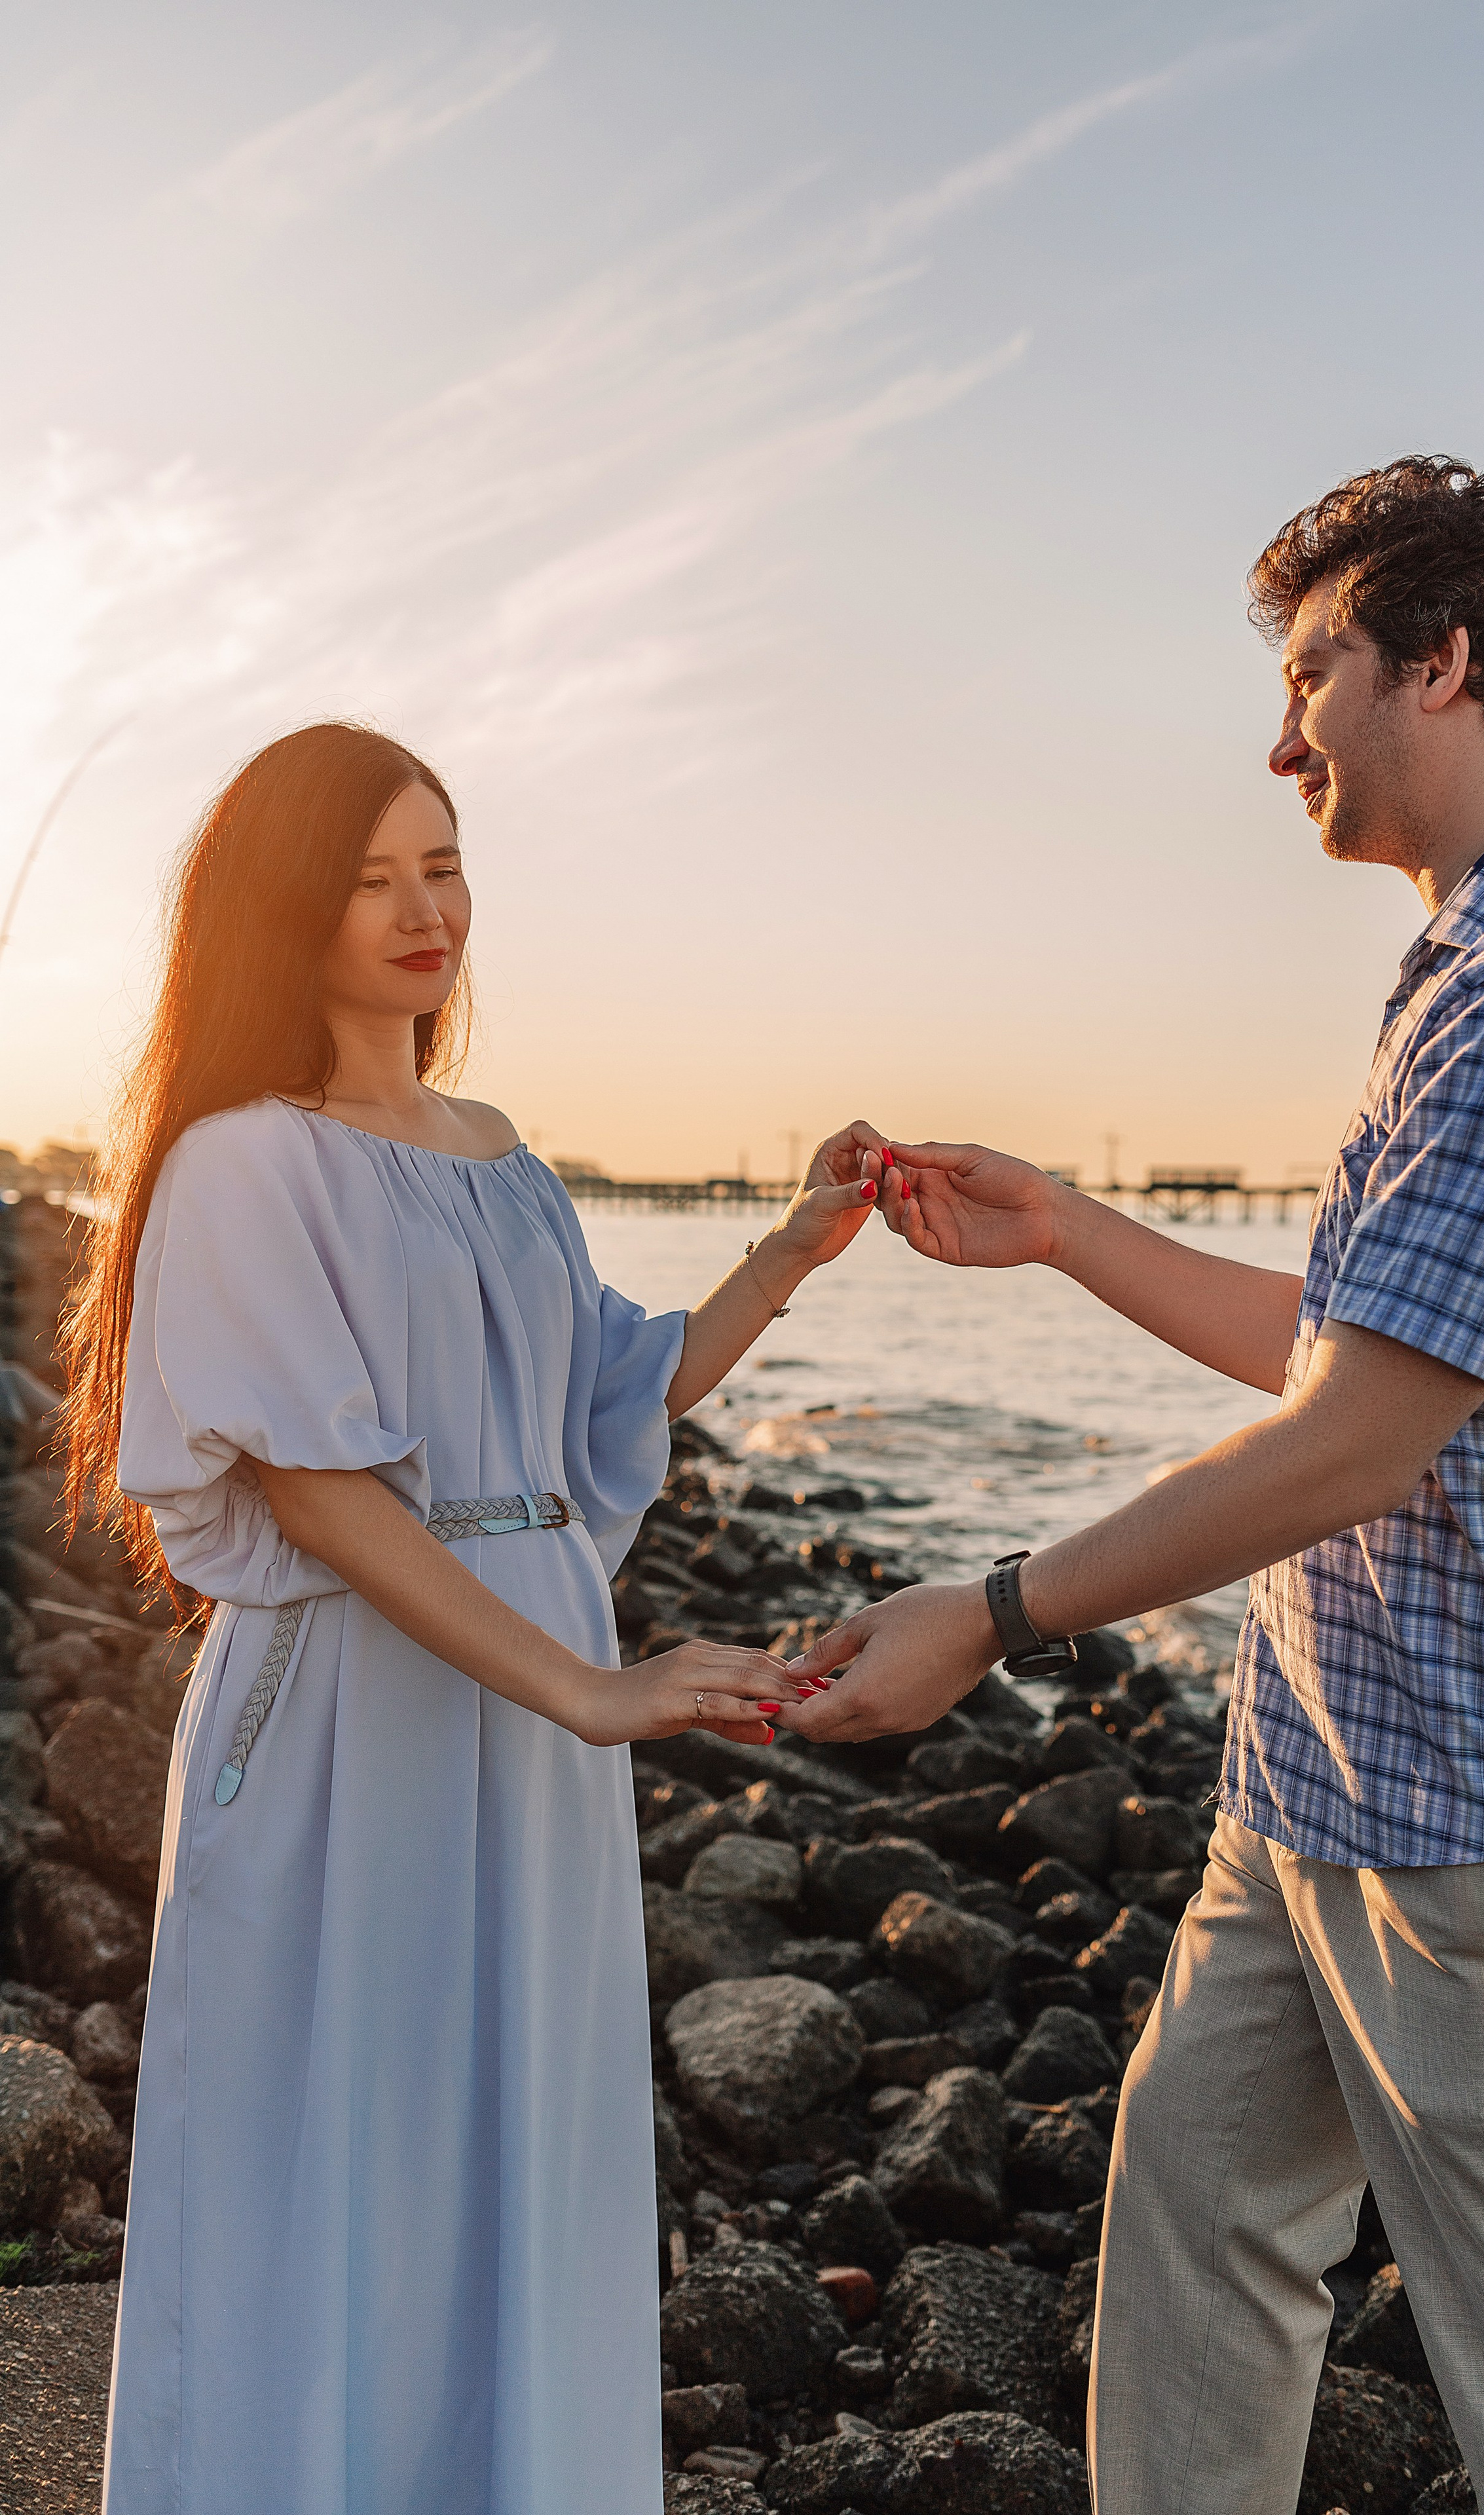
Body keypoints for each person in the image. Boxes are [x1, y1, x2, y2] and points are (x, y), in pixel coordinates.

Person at [777, 458, 1484, 2515]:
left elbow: (1357, 1439)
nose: (1279, 737)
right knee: (1198, 2254)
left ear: (1444, 668)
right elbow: (1355, 1344)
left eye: (1316, 673)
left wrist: (988, 1617)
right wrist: (1075, 1227)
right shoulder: (1476, 960)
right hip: (1324, 1793)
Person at [62, 722, 883, 2514]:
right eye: (370, 879)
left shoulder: (501, 1156)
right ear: (287, 910)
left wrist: (790, 1249)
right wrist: (596, 1691)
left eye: (442, 864)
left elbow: (610, 1402)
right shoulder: (242, 1160)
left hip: (533, 1707)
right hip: (360, 1704)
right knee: (336, 2148)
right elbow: (323, 1492)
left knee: (522, 2142)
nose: (424, 910)